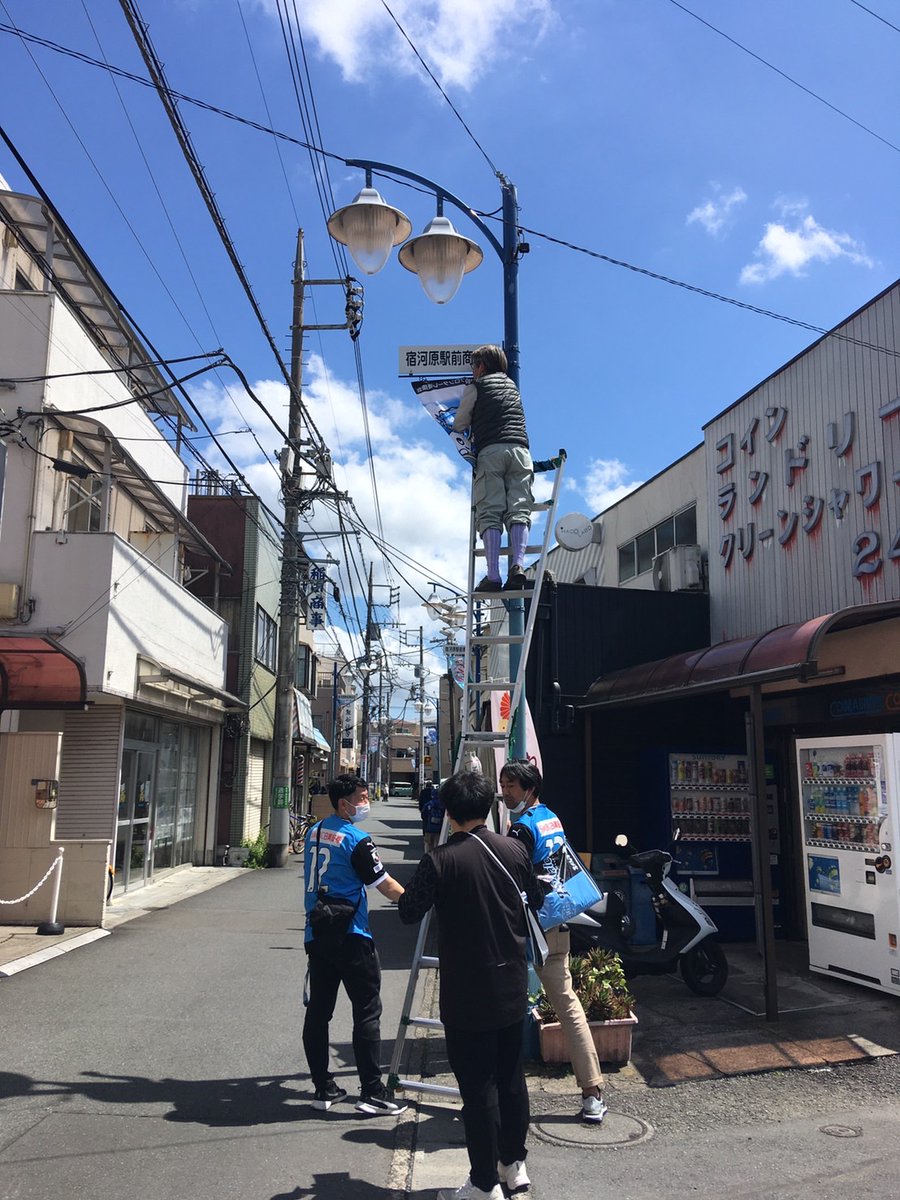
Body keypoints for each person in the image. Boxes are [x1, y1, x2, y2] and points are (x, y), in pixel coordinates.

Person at [399, 771, 545, 1200]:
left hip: (467, 991)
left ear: (448, 811)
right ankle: (514, 1165)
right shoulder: (515, 850)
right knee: (511, 1078)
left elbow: (409, 911)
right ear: (489, 807)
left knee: (478, 1088)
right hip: (512, 983)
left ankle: (484, 1184)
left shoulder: (440, 861)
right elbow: (535, 898)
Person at [501, 759, 608, 1125]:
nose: (505, 792)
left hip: (529, 926)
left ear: (529, 789)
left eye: (511, 786)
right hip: (558, 921)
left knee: (504, 1003)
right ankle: (592, 1091)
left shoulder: (521, 830)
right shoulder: (552, 818)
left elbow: (513, 882)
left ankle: (501, 1092)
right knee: (567, 1003)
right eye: (502, 784)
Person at [302, 774, 408, 1115]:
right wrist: (418, 901)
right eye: (361, 798)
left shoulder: (314, 832)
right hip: (352, 934)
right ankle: (372, 1092)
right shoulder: (356, 840)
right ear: (343, 802)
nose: (366, 803)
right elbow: (385, 885)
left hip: (318, 932)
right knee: (366, 1010)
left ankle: (324, 1088)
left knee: (319, 1012)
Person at [452, 344, 534, 594]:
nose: (473, 371)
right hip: (521, 452)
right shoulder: (512, 387)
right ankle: (518, 565)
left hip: (491, 452)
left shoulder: (476, 387)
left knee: (490, 511)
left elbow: (460, 423)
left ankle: (493, 575)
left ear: (482, 366)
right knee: (519, 508)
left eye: (474, 365)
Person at [418, 780, 445, 852]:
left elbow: (423, 815)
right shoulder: (442, 805)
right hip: (439, 829)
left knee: (428, 845)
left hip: (429, 828)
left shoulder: (429, 804)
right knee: (437, 845)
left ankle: (428, 858)